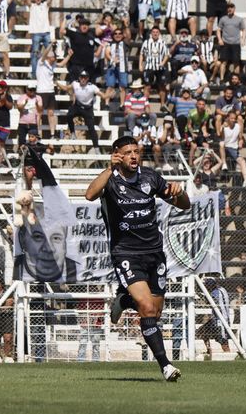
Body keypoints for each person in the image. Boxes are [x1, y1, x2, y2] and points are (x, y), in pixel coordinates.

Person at [85, 135, 190, 381]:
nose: (134, 156)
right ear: (117, 154)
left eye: (137, 151)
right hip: (126, 254)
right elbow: (89, 195)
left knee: (153, 311)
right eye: (128, 152)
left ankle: (124, 300)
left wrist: (179, 192)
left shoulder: (150, 177)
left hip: (155, 253)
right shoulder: (110, 180)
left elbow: (184, 205)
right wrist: (109, 168)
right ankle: (166, 366)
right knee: (146, 307)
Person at [55, 71, 109, 149]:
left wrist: (109, 95)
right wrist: (57, 83)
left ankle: (96, 148)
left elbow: (103, 96)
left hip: (88, 108)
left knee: (91, 128)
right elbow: (66, 88)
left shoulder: (92, 87)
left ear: (88, 79)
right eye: (81, 77)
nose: (83, 79)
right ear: (79, 78)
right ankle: (73, 132)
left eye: (85, 78)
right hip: (78, 106)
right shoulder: (75, 83)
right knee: (69, 115)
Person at [196, 278, 231, 357]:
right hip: (217, 318)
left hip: (221, 320)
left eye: (206, 286)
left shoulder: (214, 292)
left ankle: (228, 354)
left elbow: (209, 302)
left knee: (223, 340)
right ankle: (208, 351)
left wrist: (200, 295)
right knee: (202, 331)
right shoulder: (222, 289)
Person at [25, 0, 53, 78]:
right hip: (36, 33)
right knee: (35, 54)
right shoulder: (32, 6)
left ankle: (51, 73)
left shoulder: (45, 5)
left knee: (51, 54)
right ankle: (34, 74)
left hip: (46, 33)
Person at [217, 112, 246, 186]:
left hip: (233, 148)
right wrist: (222, 127)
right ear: (228, 118)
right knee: (221, 143)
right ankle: (224, 164)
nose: (233, 120)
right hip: (225, 148)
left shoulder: (238, 126)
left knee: (242, 161)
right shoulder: (224, 127)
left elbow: (241, 137)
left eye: (234, 118)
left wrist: (241, 141)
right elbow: (220, 136)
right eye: (231, 118)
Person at [140, 25, 170, 109]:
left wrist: (163, 62)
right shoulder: (146, 42)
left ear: (159, 33)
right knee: (147, 86)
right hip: (149, 66)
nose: (155, 33)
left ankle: (162, 104)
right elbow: (141, 54)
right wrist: (140, 65)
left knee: (162, 86)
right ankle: (145, 104)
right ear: (151, 33)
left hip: (160, 67)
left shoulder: (162, 42)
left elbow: (167, 54)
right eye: (153, 32)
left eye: (157, 32)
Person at [216, 3, 246, 81]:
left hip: (236, 43)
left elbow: (244, 29)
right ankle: (222, 79)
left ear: (234, 8)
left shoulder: (239, 19)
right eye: (228, 7)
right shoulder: (223, 19)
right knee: (224, 62)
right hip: (225, 43)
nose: (230, 9)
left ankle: (236, 79)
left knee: (236, 62)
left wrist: (243, 39)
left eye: (231, 7)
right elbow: (218, 30)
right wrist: (219, 39)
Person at [16, 82, 43, 147]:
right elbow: (19, 109)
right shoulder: (22, 97)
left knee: (34, 143)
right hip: (22, 123)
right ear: (27, 89)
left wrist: (36, 104)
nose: (32, 91)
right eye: (30, 89)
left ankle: (32, 155)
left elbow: (40, 110)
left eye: (33, 89)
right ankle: (22, 155)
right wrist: (25, 103)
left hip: (33, 123)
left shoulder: (38, 97)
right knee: (21, 141)